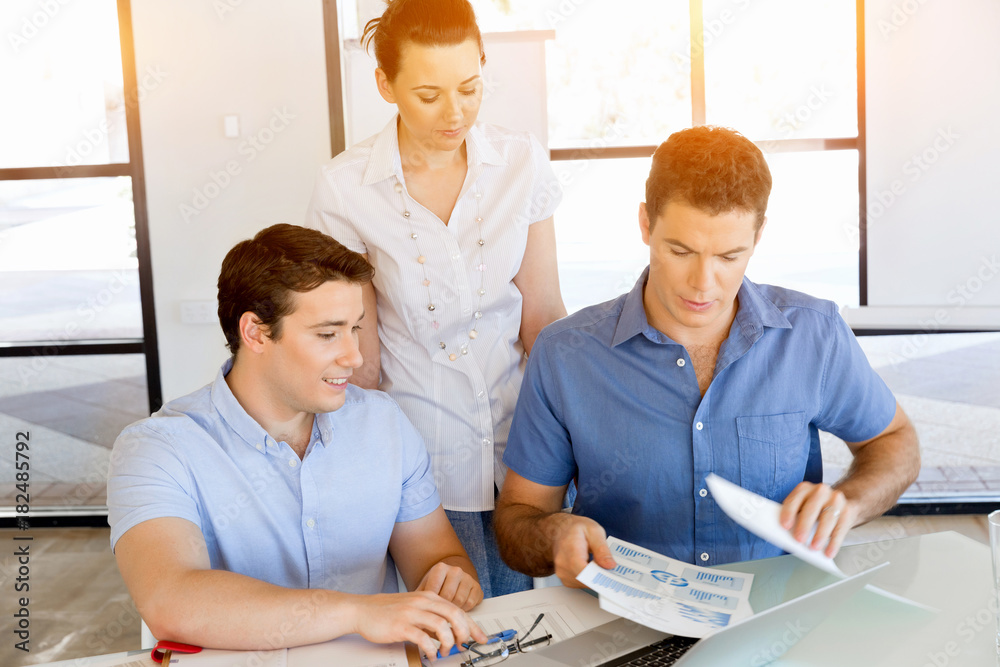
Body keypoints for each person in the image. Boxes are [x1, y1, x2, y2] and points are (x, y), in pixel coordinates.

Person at [494, 126, 921, 587]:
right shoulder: (567, 355)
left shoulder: (813, 334)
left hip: (774, 626)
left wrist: (851, 502)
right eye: (680, 250)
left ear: (758, 237)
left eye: (729, 256)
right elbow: (518, 518)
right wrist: (551, 533)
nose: (703, 282)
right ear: (645, 224)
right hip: (620, 631)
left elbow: (894, 440)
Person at [107, 224, 488, 657]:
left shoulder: (384, 422)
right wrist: (359, 613)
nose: (355, 356)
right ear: (255, 333)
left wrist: (452, 578)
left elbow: (439, 559)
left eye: (356, 328)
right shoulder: (157, 448)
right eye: (328, 334)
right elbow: (170, 600)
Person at [305, 0, 566, 597]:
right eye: (428, 95)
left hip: (527, 441)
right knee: (462, 632)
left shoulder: (519, 162)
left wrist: (578, 432)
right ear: (385, 85)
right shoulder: (346, 189)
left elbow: (544, 314)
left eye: (470, 88)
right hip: (424, 451)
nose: (456, 113)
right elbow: (355, 351)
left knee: (548, 630)